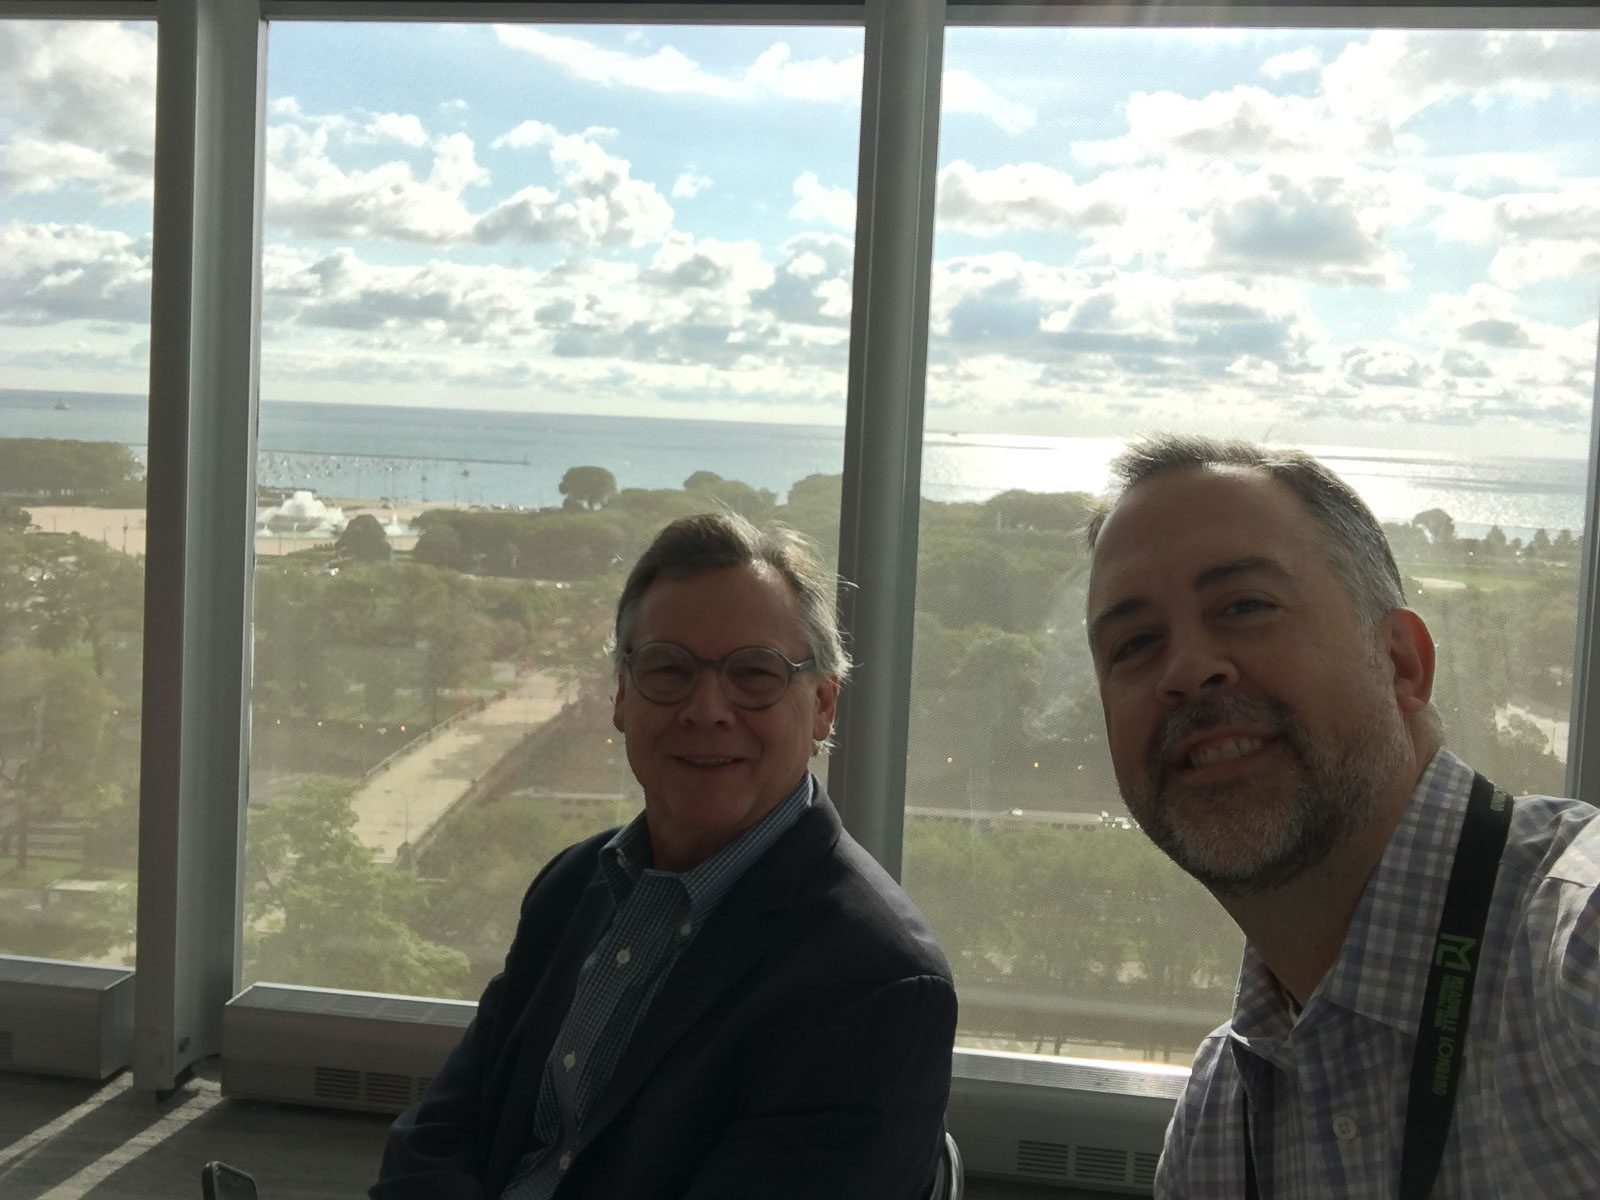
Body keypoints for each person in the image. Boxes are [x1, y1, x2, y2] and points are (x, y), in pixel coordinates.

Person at [372, 511, 957, 1200]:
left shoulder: (879, 983)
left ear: (824, 705)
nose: (707, 708)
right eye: (668, 669)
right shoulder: (571, 887)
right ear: (623, 696)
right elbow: (440, 1130)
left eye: (755, 673)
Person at [1083, 434, 1600, 1198]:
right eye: (1133, 645)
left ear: (1401, 664)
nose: (1187, 668)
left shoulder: (1576, 950)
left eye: (1245, 606)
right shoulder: (1218, 1126)